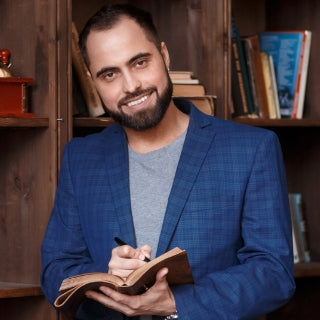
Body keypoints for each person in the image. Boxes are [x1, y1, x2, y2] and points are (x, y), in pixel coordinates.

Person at [41, 4, 295, 319]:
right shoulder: (80, 158)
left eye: (140, 62)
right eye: (109, 74)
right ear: (94, 83)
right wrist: (107, 273)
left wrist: (177, 302)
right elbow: (55, 272)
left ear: (164, 55)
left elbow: (274, 274)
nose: (131, 85)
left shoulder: (252, 149)